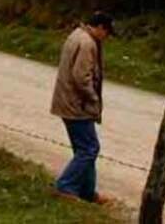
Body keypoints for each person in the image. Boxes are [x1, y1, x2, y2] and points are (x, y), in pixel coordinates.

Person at [50, 11, 115, 204]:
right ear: (101, 28)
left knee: (84, 148)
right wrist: (93, 98)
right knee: (89, 148)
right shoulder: (87, 44)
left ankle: (87, 191)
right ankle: (65, 186)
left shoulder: (76, 35)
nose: (107, 37)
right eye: (108, 32)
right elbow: (81, 77)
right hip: (77, 105)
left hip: (67, 102)